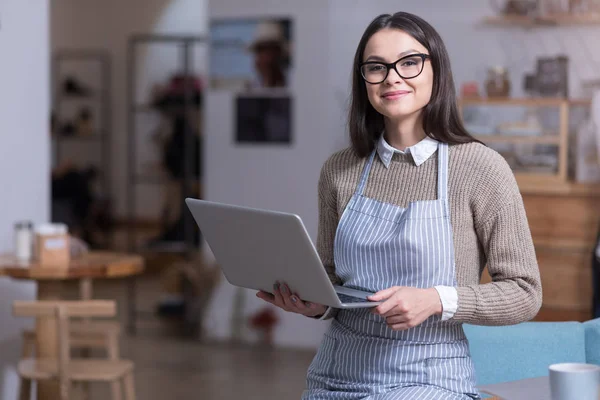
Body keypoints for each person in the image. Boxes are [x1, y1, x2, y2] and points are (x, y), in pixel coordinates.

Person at [256, 11, 542, 399]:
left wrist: (436, 299)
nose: (392, 77)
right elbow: (332, 284)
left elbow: (525, 293)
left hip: (429, 376)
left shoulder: (480, 168)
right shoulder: (339, 170)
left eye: (409, 62)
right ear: (364, 81)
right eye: (376, 67)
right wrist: (312, 304)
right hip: (336, 372)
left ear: (436, 70)